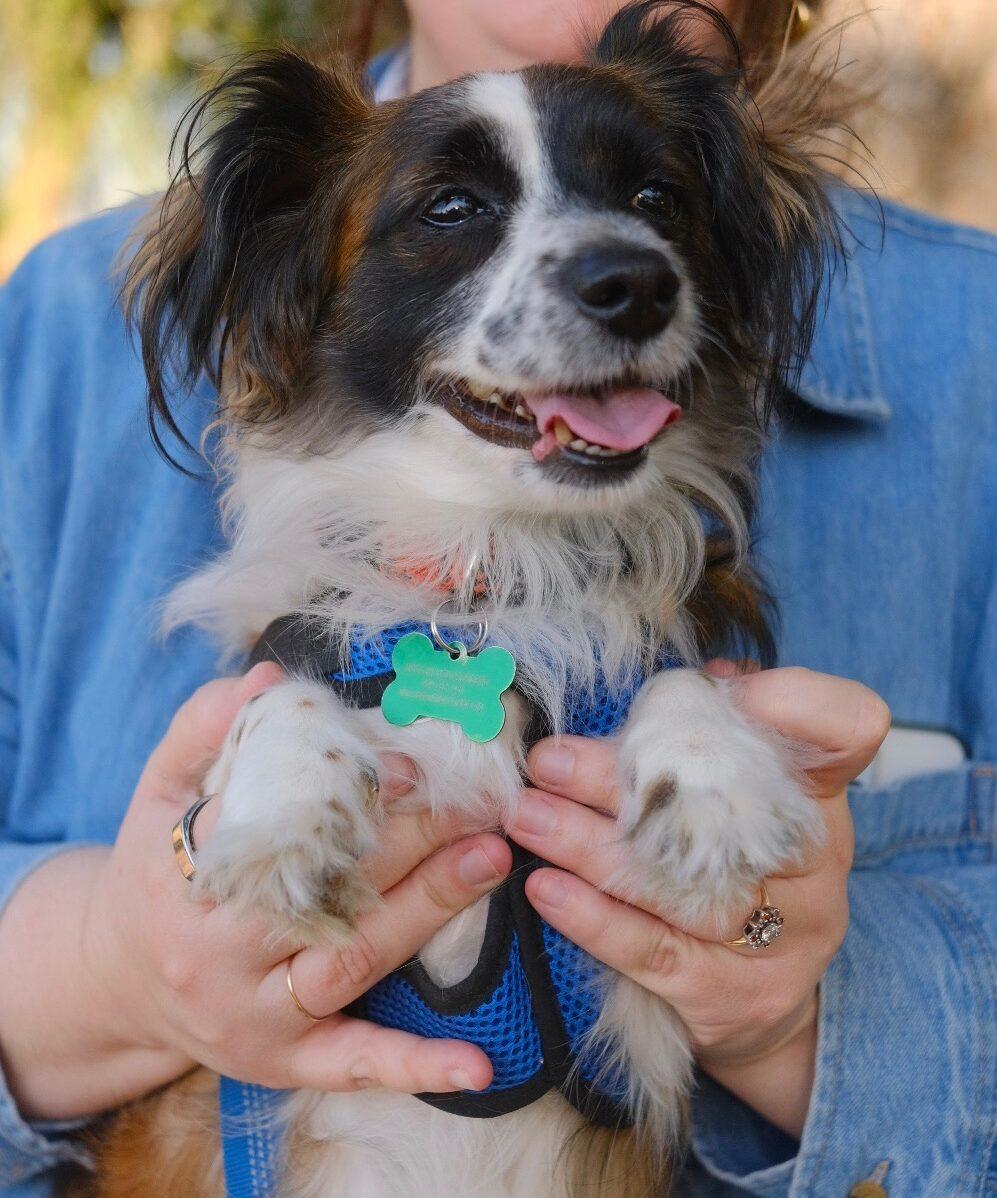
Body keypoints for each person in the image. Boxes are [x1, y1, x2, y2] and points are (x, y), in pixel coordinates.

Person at [0, 1, 993, 1194]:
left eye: (654, 204)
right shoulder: (50, 335)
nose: (618, 261)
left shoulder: (971, 348)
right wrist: (109, 968)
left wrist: (804, 1019)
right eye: (453, 209)